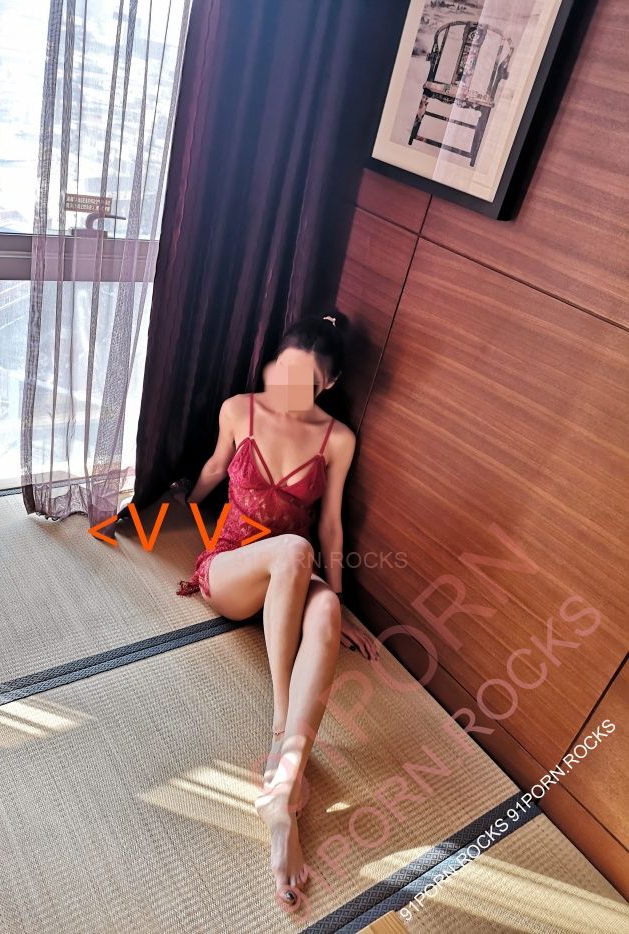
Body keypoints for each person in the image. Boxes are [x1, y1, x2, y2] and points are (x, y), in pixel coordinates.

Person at [173, 311, 381, 910]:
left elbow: (332, 525)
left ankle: (284, 786)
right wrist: (173, 505)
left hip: (295, 572)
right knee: (293, 549)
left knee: (327, 610)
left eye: (305, 380)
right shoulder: (239, 409)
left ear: (328, 384)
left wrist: (341, 599)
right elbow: (215, 468)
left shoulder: (337, 439)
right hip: (234, 569)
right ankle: (279, 730)